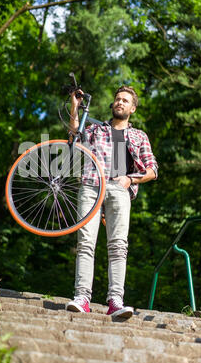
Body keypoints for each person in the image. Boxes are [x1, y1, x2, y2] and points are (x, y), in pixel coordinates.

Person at [65, 86, 158, 318]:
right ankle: (82, 298)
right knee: (86, 243)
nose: (120, 102)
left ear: (132, 108)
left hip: (120, 189)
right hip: (91, 186)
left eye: (125, 100)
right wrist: (75, 109)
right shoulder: (97, 129)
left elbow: (152, 170)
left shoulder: (139, 136)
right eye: (117, 99)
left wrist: (129, 178)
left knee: (118, 246)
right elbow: (73, 138)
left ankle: (115, 301)